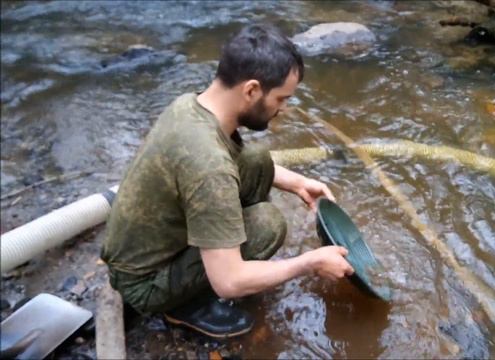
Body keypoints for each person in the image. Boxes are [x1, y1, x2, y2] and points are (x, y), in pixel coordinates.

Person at [101, 24, 354, 338]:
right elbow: (229, 281)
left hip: (139, 248)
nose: (284, 109)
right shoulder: (210, 168)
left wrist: (298, 182)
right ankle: (183, 307)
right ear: (251, 90)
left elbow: (232, 164)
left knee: (258, 159)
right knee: (265, 225)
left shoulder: (192, 106)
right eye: (281, 98)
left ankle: (219, 249)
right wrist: (309, 262)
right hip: (146, 283)